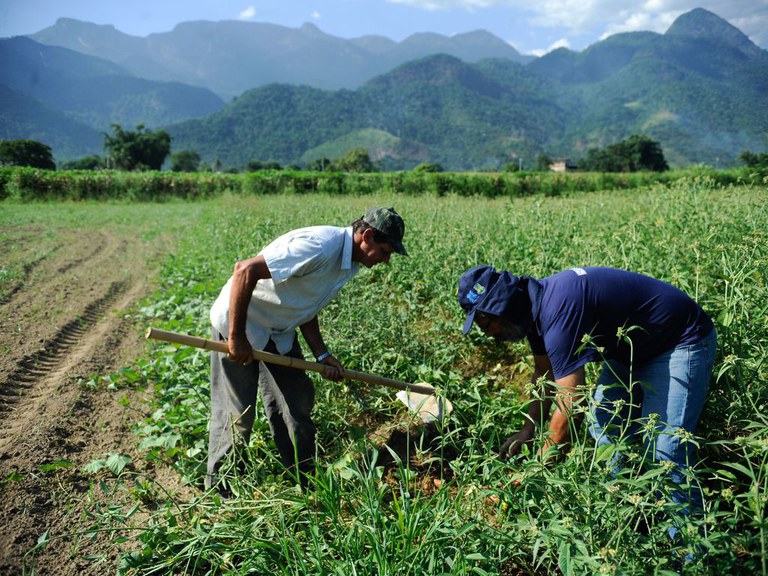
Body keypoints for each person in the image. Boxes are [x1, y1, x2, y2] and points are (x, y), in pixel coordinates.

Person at [457, 265, 717, 511]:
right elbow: (543, 373)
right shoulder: (531, 311)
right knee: (604, 424)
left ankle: (689, 550)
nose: (487, 333)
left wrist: (537, 470)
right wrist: (529, 429)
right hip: (630, 349)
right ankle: (627, 508)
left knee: (666, 451)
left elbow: (572, 404)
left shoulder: (558, 311)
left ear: (501, 308)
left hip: (679, 340)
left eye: (485, 323)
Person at [207, 207, 407, 492]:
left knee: (296, 402)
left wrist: (322, 355)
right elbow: (245, 270)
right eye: (386, 251)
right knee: (238, 414)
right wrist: (236, 337)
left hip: (279, 331)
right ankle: (221, 489)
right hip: (240, 324)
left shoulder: (348, 264)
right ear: (369, 236)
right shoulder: (320, 247)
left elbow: (306, 304)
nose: (386, 260)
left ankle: (303, 479)